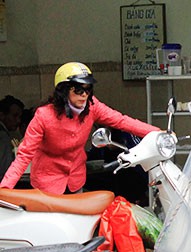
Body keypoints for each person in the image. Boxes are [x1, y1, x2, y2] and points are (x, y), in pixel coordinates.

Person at [0, 62, 160, 194]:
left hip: (75, 181)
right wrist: (4, 190)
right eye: (78, 89)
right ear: (63, 91)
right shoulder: (43, 116)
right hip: (47, 185)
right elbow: (24, 155)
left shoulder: (93, 106)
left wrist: (158, 133)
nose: (84, 94)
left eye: (88, 89)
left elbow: (122, 121)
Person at [0, 95, 24, 180]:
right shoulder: (3, 136)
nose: (18, 121)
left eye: (19, 117)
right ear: (2, 115)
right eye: (14, 116)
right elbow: (4, 168)